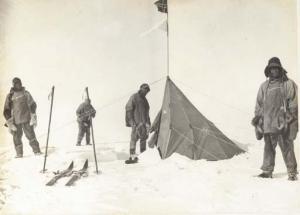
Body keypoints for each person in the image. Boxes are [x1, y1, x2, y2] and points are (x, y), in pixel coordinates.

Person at [252, 57, 298, 181]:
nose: (274, 71)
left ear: (280, 69)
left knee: (287, 148)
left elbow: (293, 105)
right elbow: (259, 105)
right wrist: (258, 121)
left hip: (283, 123)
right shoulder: (264, 86)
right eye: (272, 69)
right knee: (268, 148)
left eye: (276, 68)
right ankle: (267, 171)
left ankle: (292, 172)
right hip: (268, 124)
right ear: (268, 71)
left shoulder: (288, 84)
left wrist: (293, 124)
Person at [3, 77, 42, 158]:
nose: (18, 85)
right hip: (16, 122)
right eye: (16, 84)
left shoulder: (25, 93)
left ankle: (37, 151)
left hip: (27, 119)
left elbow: (32, 104)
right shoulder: (10, 96)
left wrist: (33, 115)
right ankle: (19, 154)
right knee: (16, 138)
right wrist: (10, 123)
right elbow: (6, 110)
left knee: (31, 135)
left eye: (19, 83)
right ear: (13, 85)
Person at [125, 83, 151, 164]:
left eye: (147, 91)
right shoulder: (134, 97)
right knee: (134, 139)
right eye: (145, 90)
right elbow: (128, 109)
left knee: (143, 139)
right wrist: (132, 122)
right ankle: (132, 157)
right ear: (141, 89)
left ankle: (142, 156)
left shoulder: (145, 101)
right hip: (136, 124)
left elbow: (147, 113)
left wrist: (148, 123)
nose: (146, 92)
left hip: (143, 125)